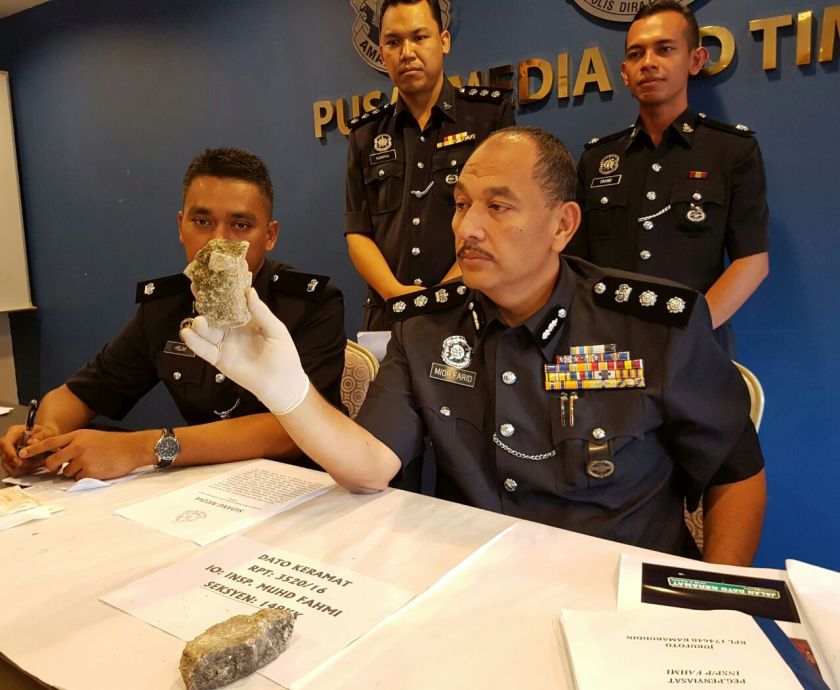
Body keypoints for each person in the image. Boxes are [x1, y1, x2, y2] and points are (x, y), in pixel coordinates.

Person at [183, 127, 766, 566]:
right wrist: (288, 394)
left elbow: (735, 473)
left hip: (614, 595)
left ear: (562, 226)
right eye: (461, 204)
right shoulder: (424, 326)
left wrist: (717, 612)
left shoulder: (652, 326)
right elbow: (370, 467)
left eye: (498, 206)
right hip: (475, 583)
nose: (466, 228)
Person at [0, 148, 346, 480]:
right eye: (202, 221)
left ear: (270, 236)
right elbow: (79, 394)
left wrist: (144, 447)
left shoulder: (311, 305)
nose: (217, 243)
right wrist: (45, 438)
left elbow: (291, 430)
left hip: (300, 493)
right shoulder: (165, 308)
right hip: (204, 491)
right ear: (181, 226)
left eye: (240, 226)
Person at [566, 0, 769, 356]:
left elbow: (752, 261)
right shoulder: (597, 159)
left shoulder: (731, 150)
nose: (649, 63)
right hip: (610, 351)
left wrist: (691, 327)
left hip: (696, 351)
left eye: (665, 49)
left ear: (695, 60)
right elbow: (575, 266)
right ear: (625, 72)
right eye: (636, 53)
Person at [345, 0, 515, 330]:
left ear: (444, 41)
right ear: (382, 53)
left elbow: (500, 215)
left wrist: (441, 295)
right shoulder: (365, 135)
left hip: (469, 305)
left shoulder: (488, 118)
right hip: (389, 313)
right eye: (394, 42)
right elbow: (357, 232)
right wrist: (397, 295)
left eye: (419, 37)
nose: (406, 52)